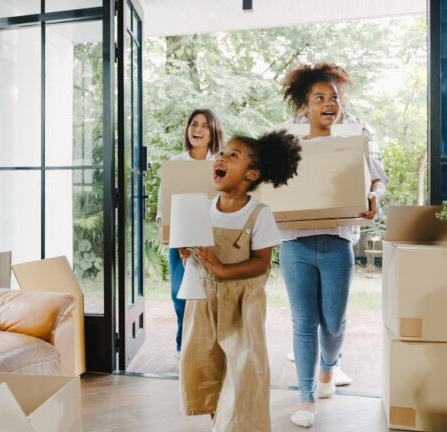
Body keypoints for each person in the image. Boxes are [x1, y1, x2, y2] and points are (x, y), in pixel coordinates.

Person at [280, 64, 389, 428]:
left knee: (334, 322)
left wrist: (374, 195)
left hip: (338, 240)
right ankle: (307, 398)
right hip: (295, 242)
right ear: (305, 106)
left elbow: (378, 180)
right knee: (303, 322)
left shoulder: (354, 139)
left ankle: (329, 368)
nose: (330, 103)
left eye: (335, 98)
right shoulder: (288, 145)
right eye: (320, 98)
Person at [178, 131, 301, 432]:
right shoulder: (203, 208)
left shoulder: (259, 214)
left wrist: (222, 269)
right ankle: (217, 425)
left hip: (242, 306)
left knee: (243, 371)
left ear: (251, 174)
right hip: (205, 304)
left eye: (233, 155)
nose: (221, 157)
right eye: (221, 153)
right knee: (207, 368)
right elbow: (196, 259)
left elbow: (261, 264)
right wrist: (187, 254)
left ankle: (237, 425)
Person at [156, 108, 224, 357]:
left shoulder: (221, 162)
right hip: (181, 237)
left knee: (210, 293)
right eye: (194, 124)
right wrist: (168, 232)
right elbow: (165, 203)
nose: (198, 129)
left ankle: (209, 343)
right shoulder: (176, 164)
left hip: (213, 237)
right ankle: (182, 342)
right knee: (180, 294)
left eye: (205, 125)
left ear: (213, 131)